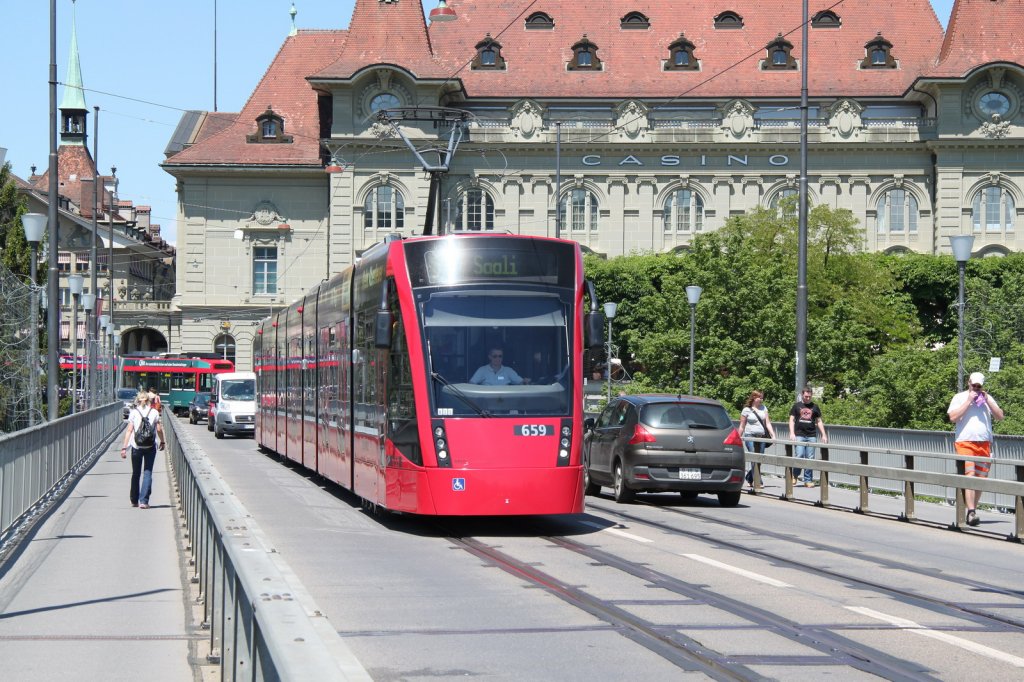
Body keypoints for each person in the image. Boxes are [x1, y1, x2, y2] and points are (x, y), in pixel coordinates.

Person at [947, 371, 1004, 527]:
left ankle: (972, 511)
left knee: (980, 480)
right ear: (969, 383)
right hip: (965, 442)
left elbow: (1000, 416)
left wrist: (987, 401)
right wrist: (968, 401)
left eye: (979, 386)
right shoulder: (959, 397)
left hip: (984, 443)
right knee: (970, 475)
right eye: (974, 385)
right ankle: (971, 510)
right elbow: (953, 418)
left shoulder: (986, 398)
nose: (976, 388)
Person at [121, 391, 165, 509]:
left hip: (136, 447)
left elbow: (129, 431)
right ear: (148, 400)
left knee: (136, 473)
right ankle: (144, 501)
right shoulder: (154, 412)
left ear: (138, 400)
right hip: (150, 447)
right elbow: (159, 429)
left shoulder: (134, 412)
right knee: (148, 472)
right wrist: (162, 441)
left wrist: (124, 447)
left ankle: (134, 500)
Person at [788, 385, 828, 487]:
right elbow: (791, 420)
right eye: (806, 396)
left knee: (810, 458)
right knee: (800, 455)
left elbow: (818, 421)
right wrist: (792, 433)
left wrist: (823, 434)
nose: (808, 398)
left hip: (811, 435)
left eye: (809, 396)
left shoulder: (815, 407)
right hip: (799, 434)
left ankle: (808, 480)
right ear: (802, 395)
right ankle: (795, 475)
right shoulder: (796, 406)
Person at [739, 390, 775, 491]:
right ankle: (758, 480)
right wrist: (738, 437)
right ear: (754, 398)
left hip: (762, 436)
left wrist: (773, 435)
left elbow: (767, 423)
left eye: (762, 397)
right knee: (754, 457)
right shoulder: (746, 410)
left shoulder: (764, 408)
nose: (762, 399)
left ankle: (749, 477)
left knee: (760, 458)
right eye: (760, 397)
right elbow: (742, 425)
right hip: (750, 436)